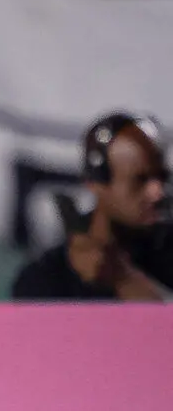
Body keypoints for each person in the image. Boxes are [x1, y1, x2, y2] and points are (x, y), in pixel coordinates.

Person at [11, 113, 172, 300]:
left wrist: (123, 280)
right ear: (96, 185)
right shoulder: (46, 278)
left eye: (162, 177)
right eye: (140, 180)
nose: (158, 192)